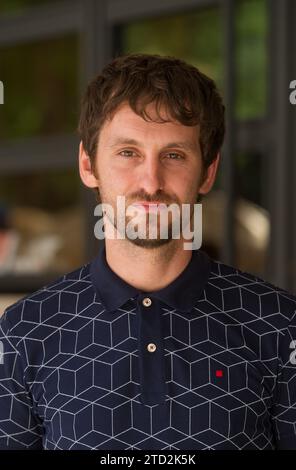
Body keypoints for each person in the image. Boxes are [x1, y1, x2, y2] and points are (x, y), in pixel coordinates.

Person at [0, 53, 295, 450]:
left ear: (207, 172)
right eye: (128, 152)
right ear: (89, 165)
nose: (151, 181)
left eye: (173, 155)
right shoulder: (23, 333)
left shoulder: (280, 325)